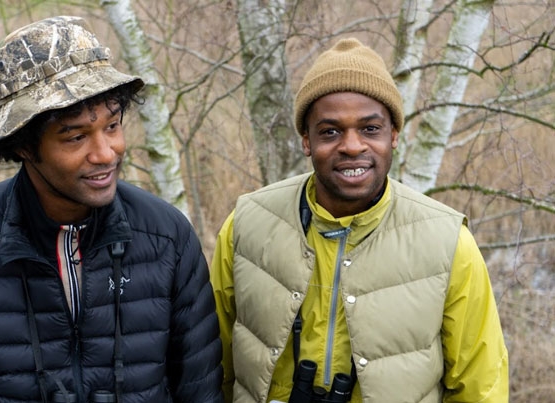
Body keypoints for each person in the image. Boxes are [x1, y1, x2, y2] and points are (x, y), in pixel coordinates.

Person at [0, 16, 223, 403]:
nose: (106, 153)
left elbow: (200, 391)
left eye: (112, 126)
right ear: (23, 145)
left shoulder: (167, 238)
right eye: (76, 137)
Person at [210, 38, 509, 403]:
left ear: (394, 135)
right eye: (330, 131)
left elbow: (481, 387)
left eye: (370, 129)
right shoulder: (247, 225)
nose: (352, 146)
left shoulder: (447, 243)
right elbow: (211, 366)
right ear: (306, 140)